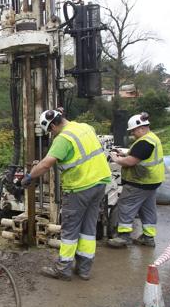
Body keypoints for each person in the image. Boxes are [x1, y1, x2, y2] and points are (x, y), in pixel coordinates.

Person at [21, 108, 111, 281]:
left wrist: (29, 176)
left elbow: (46, 164)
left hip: (79, 188)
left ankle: (63, 269)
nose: (51, 134)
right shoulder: (84, 127)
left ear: (54, 125)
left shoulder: (63, 139)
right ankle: (84, 269)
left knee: (70, 230)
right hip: (99, 184)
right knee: (88, 229)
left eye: (50, 130)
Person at [107, 112, 165, 248]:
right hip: (151, 182)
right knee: (148, 209)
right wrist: (125, 153)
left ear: (141, 128)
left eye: (133, 131)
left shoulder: (145, 142)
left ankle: (123, 237)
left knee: (126, 205)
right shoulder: (152, 138)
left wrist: (117, 159)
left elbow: (131, 161)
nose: (133, 134)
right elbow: (140, 155)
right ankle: (148, 237)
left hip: (140, 181)